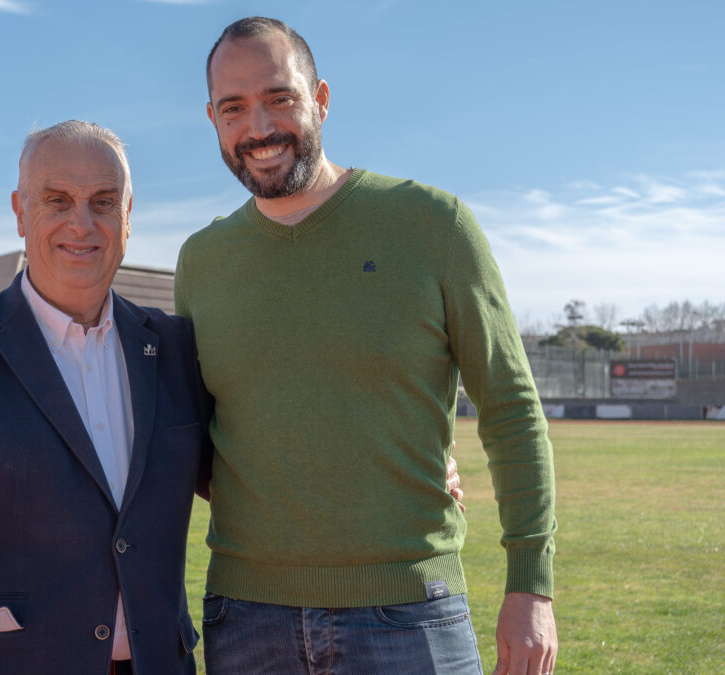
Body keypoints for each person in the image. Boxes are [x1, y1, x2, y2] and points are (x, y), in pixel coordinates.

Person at [174, 17, 558, 675]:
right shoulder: (201, 261)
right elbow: (197, 439)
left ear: (320, 98)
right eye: (234, 108)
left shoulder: (434, 225)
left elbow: (511, 408)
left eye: (280, 98)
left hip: (410, 611)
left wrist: (531, 584)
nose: (258, 127)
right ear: (212, 118)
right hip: (246, 618)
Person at [0, 120, 211, 674]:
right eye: (57, 200)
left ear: (127, 214)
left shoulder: (174, 349)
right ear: (20, 212)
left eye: (103, 201)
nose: (83, 222)